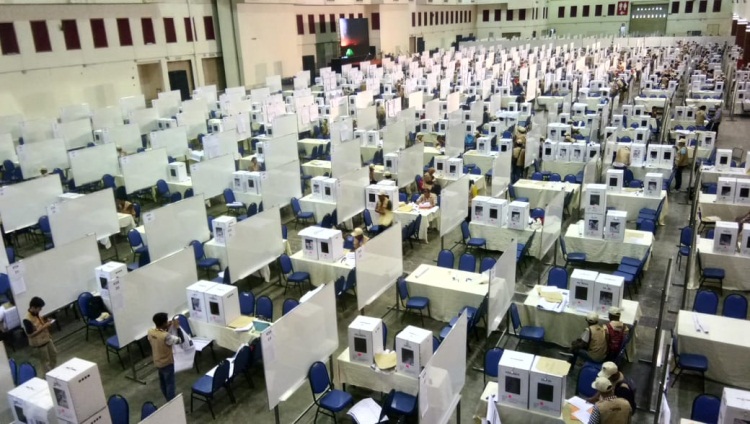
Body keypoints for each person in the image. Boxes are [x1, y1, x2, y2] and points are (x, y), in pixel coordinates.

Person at [148, 312, 184, 401]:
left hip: (157, 362)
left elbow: (159, 336)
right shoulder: (166, 336)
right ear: (164, 323)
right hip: (167, 363)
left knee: (163, 383)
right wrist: (177, 327)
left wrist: (166, 327)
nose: (168, 322)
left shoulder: (150, 332)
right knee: (170, 385)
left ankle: (167, 400)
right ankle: (171, 402)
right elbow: (181, 340)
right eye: (166, 321)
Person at [23, 297, 57, 374]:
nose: (41, 309)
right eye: (39, 308)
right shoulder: (27, 319)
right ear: (33, 307)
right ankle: (47, 376)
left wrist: (46, 322)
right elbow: (30, 334)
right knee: (45, 361)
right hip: (39, 343)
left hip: (47, 339)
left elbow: (39, 324)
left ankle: (52, 371)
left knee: (54, 354)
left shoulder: (36, 314)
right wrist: (44, 327)